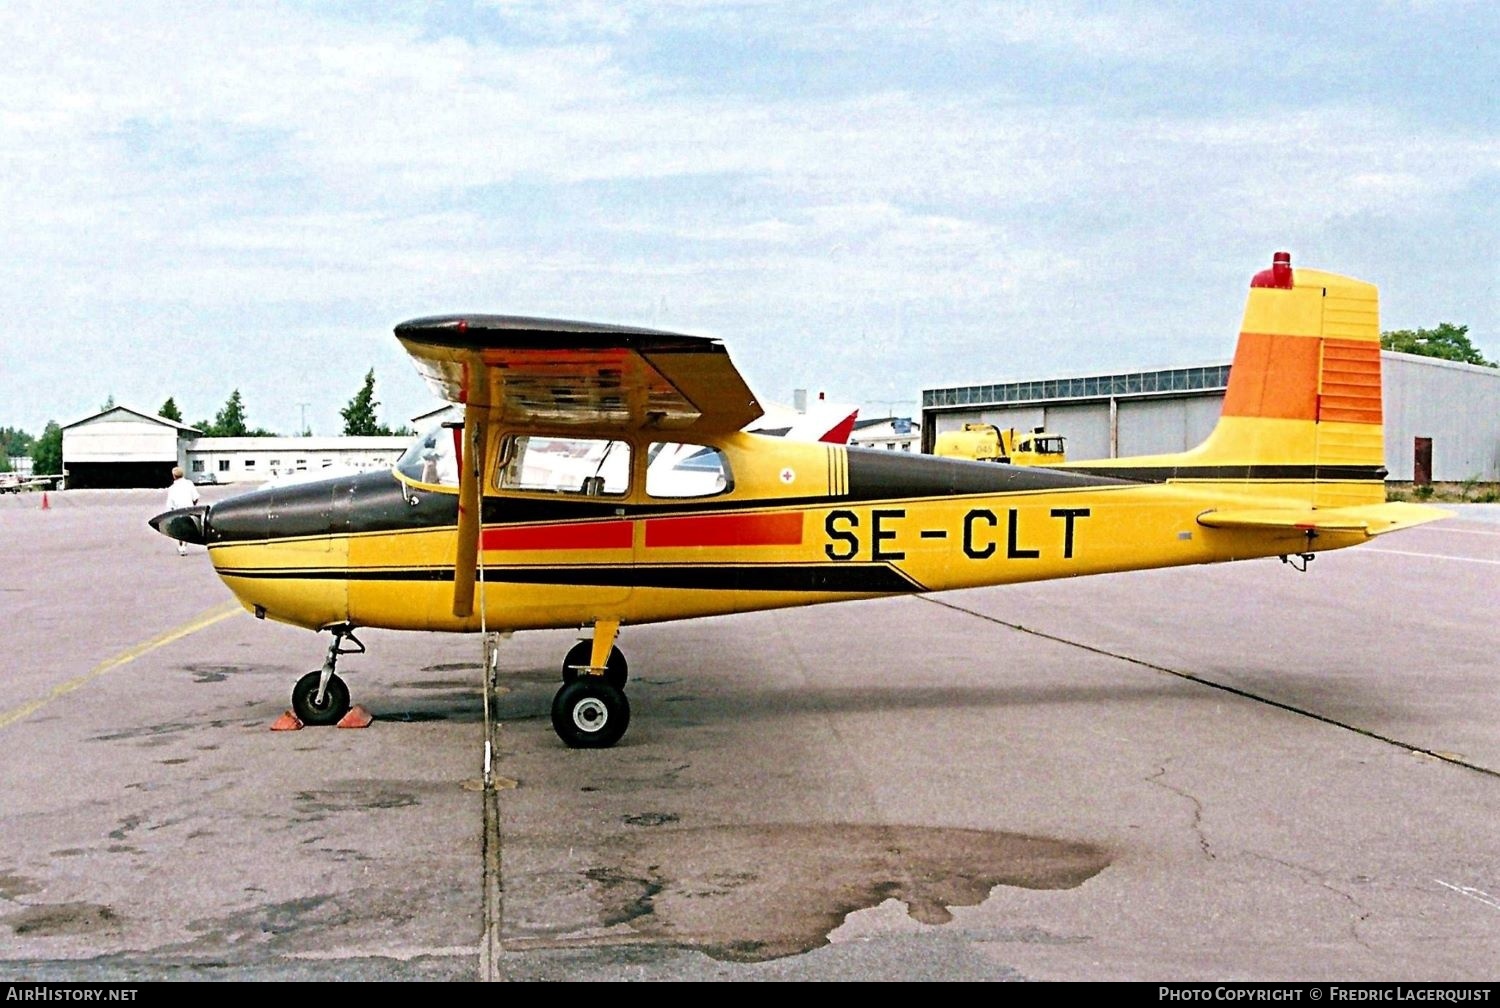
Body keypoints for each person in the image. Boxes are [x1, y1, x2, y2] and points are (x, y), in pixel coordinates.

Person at [164, 466, 200, 555]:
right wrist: (193, 505)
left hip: (178, 511)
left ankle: (181, 547)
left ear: (174, 476)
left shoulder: (172, 488)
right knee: (186, 528)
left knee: (179, 529)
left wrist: (169, 513)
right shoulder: (189, 483)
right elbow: (196, 497)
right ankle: (183, 546)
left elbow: (170, 504)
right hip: (189, 509)